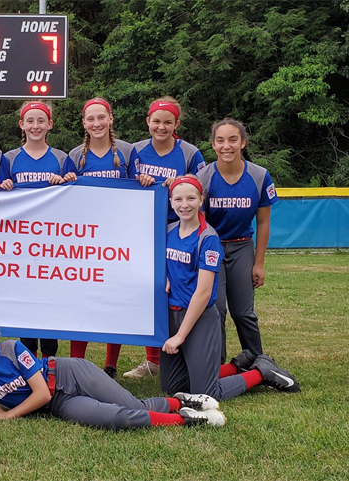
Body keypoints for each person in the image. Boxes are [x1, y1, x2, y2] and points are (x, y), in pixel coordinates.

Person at [0, 313, 226, 430]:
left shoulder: (13, 349)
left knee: (131, 404)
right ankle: (187, 419)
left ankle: (182, 400)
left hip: (67, 374)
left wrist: (6, 415)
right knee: (117, 418)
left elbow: (42, 393)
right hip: (60, 405)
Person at [160, 175, 298, 401]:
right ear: (171, 201)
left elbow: (204, 293)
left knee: (206, 393)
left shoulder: (208, 238)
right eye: (178, 199)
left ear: (201, 199)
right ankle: (237, 365)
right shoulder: (168, 231)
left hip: (199, 317)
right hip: (171, 314)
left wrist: (180, 336)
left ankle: (260, 372)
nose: (184, 205)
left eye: (191, 198)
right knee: (173, 387)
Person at [65, 98, 152, 377]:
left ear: (111, 119)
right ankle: (76, 362)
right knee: (82, 300)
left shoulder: (128, 151)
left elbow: (139, 188)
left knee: (114, 301)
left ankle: (110, 364)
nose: (96, 123)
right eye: (90, 119)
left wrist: (146, 181)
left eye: (101, 117)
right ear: (84, 123)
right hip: (87, 239)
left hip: (119, 238)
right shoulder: (75, 155)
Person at [124, 96, 206, 380]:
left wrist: (181, 183)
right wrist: (140, 181)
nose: (161, 127)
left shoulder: (190, 153)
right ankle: (153, 360)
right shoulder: (135, 151)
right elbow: (124, 189)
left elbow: (200, 192)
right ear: (148, 121)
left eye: (168, 122)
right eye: (156, 121)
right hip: (144, 231)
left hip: (177, 231)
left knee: (181, 291)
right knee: (151, 293)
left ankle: (196, 352)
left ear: (176, 124)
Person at [196, 118, 278, 363]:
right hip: (213, 245)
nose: (226, 146)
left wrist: (259, 263)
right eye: (220, 140)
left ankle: (257, 359)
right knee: (216, 308)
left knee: (243, 311)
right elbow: (200, 225)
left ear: (243, 142)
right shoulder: (204, 177)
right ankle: (216, 364)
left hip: (242, 245)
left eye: (233, 139)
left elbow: (263, 222)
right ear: (213, 145)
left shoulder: (259, 176)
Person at [1, 101, 77, 358]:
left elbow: (76, 197)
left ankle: (49, 359)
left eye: (41, 120)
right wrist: (4, 186)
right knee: (26, 300)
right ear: (21, 124)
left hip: (52, 243)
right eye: (30, 121)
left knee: (48, 301)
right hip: (20, 242)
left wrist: (64, 183)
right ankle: (29, 359)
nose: (36, 126)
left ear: (50, 124)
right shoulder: (9, 158)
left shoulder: (62, 158)